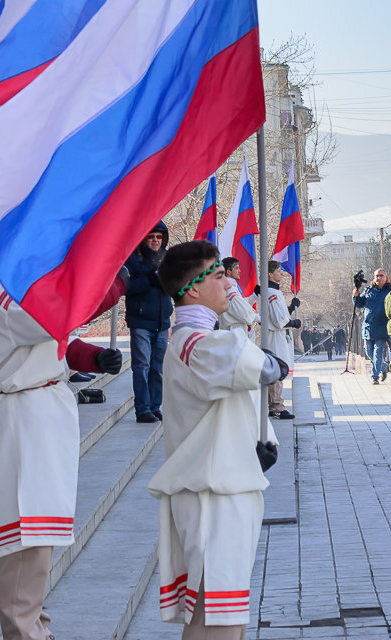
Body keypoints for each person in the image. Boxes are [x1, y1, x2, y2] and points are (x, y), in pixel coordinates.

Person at [0, 211, 124, 640]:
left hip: (41, 412)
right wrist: (109, 278)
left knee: (41, 533)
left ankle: (35, 622)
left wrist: (91, 358)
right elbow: (49, 319)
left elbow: (54, 341)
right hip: (20, 418)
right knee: (26, 535)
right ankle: (22, 631)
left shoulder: (13, 287)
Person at [147, 240, 287, 638]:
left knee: (226, 618)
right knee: (216, 620)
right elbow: (252, 364)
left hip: (225, 490)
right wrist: (271, 364)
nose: (230, 284)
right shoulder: (194, 341)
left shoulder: (204, 338)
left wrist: (257, 446)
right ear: (192, 288)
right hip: (210, 496)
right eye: (221, 275)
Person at [125, 222, 173, 424]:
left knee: (158, 368)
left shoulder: (168, 260)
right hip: (141, 322)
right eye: (151, 236)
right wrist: (150, 279)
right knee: (142, 367)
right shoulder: (132, 260)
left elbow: (176, 287)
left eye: (158, 237)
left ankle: (155, 406)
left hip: (162, 322)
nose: (155, 240)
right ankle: (143, 409)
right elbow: (125, 288)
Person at [262, 261, 300, 418]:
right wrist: (293, 322)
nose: (281, 273)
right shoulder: (271, 292)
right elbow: (278, 320)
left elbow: (280, 314)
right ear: (270, 274)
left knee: (276, 368)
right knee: (277, 369)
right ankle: (277, 405)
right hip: (275, 335)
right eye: (278, 271)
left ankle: (273, 405)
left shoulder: (274, 292)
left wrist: (291, 308)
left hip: (278, 335)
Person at [353, 269, 391, 384]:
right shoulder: (369, 290)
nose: (379, 278)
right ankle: (383, 367)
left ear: (386, 277)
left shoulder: (390, 291)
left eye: (381, 275)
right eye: (376, 276)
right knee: (369, 352)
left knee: (378, 353)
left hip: (382, 327)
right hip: (368, 327)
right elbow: (359, 304)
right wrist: (355, 295)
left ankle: (375, 377)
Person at [219, 257, 258, 334]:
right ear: (228, 272)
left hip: (233, 334)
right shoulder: (230, 290)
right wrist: (259, 318)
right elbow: (243, 312)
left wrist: (254, 295)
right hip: (235, 334)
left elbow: (240, 303)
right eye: (236, 268)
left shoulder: (230, 288)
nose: (239, 271)